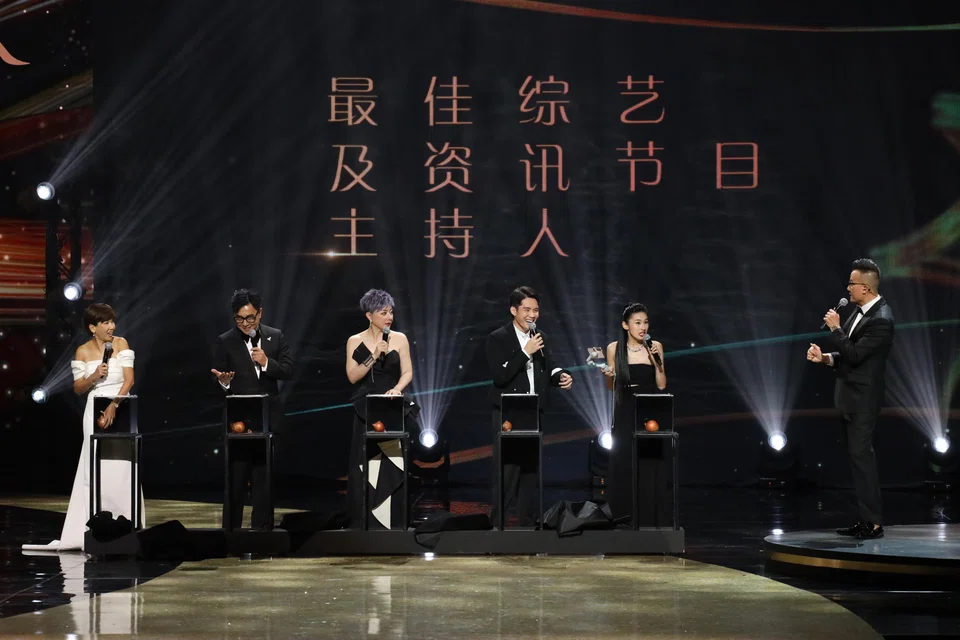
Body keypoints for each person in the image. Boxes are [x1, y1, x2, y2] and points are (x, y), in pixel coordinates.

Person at [23, 303, 144, 552]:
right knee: (95, 466)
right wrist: (94, 377)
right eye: (106, 323)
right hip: (94, 408)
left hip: (121, 406)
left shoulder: (121, 344)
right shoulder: (82, 351)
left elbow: (130, 379)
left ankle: (127, 524)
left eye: (113, 321)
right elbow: (78, 388)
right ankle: (95, 524)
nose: (112, 327)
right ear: (93, 327)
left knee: (123, 465)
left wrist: (114, 405)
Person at [807, 258, 894, 540]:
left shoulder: (881, 320)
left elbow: (856, 355)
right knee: (857, 460)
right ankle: (866, 519)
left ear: (866, 288)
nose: (847, 288)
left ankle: (874, 523)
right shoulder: (860, 311)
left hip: (863, 401)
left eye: (852, 283)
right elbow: (849, 356)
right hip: (849, 397)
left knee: (862, 459)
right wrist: (826, 358)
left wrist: (835, 328)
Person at [485, 286, 573, 527]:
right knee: (507, 472)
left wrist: (561, 376)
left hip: (533, 411)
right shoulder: (498, 338)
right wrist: (525, 352)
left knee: (530, 472)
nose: (532, 314)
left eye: (535, 310)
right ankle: (498, 528)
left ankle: (526, 526)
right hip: (509, 413)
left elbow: (549, 367)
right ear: (513, 310)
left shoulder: (539, 337)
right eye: (527, 309)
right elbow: (500, 376)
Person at [212, 289, 293, 530]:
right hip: (238, 421)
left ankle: (262, 533)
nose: (245, 323)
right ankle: (232, 533)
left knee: (264, 480)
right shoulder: (225, 340)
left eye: (250, 318)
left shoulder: (275, 337)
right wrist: (224, 382)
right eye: (239, 319)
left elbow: (289, 371)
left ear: (260, 313)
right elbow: (215, 379)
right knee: (236, 479)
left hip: (268, 419)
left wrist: (267, 362)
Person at [345, 289, 417, 529]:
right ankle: (364, 522)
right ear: (369, 315)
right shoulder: (355, 341)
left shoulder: (400, 338)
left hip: (391, 406)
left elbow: (407, 371)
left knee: (392, 463)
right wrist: (373, 356)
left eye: (391, 312)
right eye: (383, 312)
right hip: (365, 408)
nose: (389, 317)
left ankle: (394, 521)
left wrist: (397, 389)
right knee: (364, 464)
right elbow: (353, 376)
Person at [601, 303, 667, 523]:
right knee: (624, 461)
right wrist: (609, 375)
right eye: (638, 322)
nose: (643, 327)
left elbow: (661, 385)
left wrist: (657, 362)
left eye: (645, 322)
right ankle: (623, 515)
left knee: (648, 462)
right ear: (625, 325)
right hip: (625, 409)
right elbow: (612, 387)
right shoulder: (614, 348)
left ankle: (649, 515)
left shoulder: (655, 346)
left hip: (649, 410)